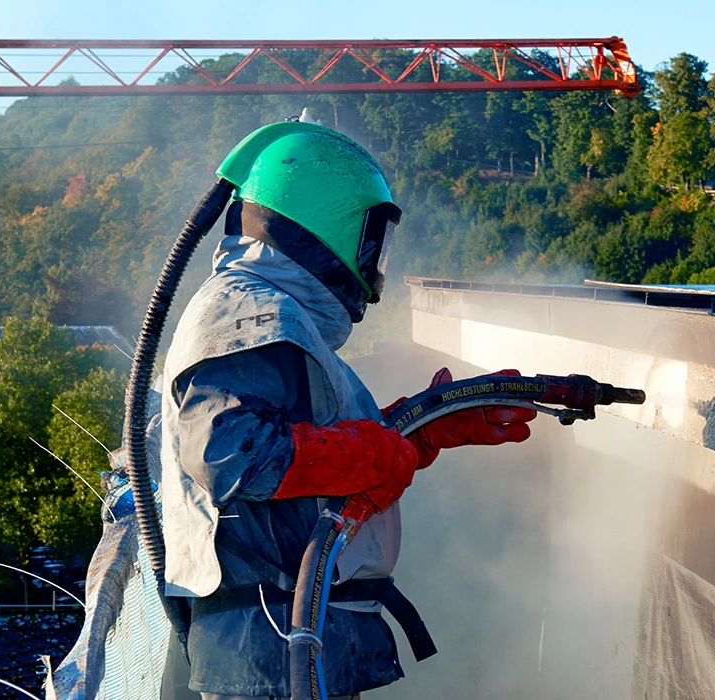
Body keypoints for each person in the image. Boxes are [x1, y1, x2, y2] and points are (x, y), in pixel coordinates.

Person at [159, 115, 537, 700]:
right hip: (274, 646)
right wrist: (371, 452)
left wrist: (426, 432)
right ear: (325, 220)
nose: (372, 265)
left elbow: (310, 449)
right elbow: (229, 453)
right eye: (371, 240)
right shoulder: (247, 309)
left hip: (287, 640)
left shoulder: (271, 315)